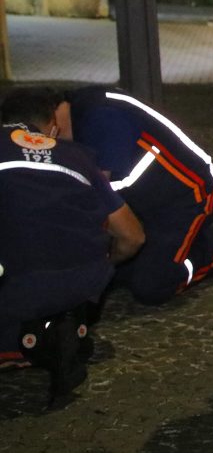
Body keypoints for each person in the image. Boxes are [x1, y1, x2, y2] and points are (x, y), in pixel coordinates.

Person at [0, 87, 145, 406]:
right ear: (52, 127)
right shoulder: (79, 157)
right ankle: (61, 332)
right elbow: (133, 236)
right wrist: (105, 264)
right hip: (82, 282)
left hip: (17, 283)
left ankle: (26, 343)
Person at [59, 86, 213, 305]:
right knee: (121, 275)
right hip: (146, 201)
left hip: (188, 198)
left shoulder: (101, 119)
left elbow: (100, 205)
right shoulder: (82, 110)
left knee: (153, 287)